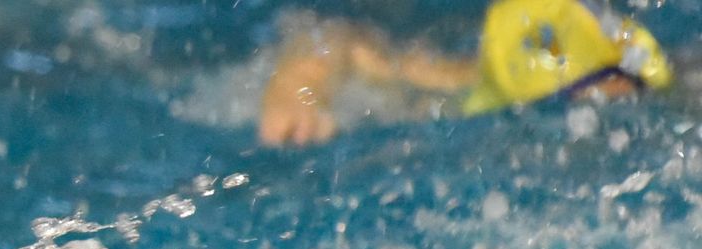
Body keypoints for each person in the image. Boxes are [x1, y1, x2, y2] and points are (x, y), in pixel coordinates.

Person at [257, 0, 672, 146]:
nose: (609, 97)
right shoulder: (462, 86)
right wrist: (298, 85)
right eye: (593, 89)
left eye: (622, 87)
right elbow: (345, 40)